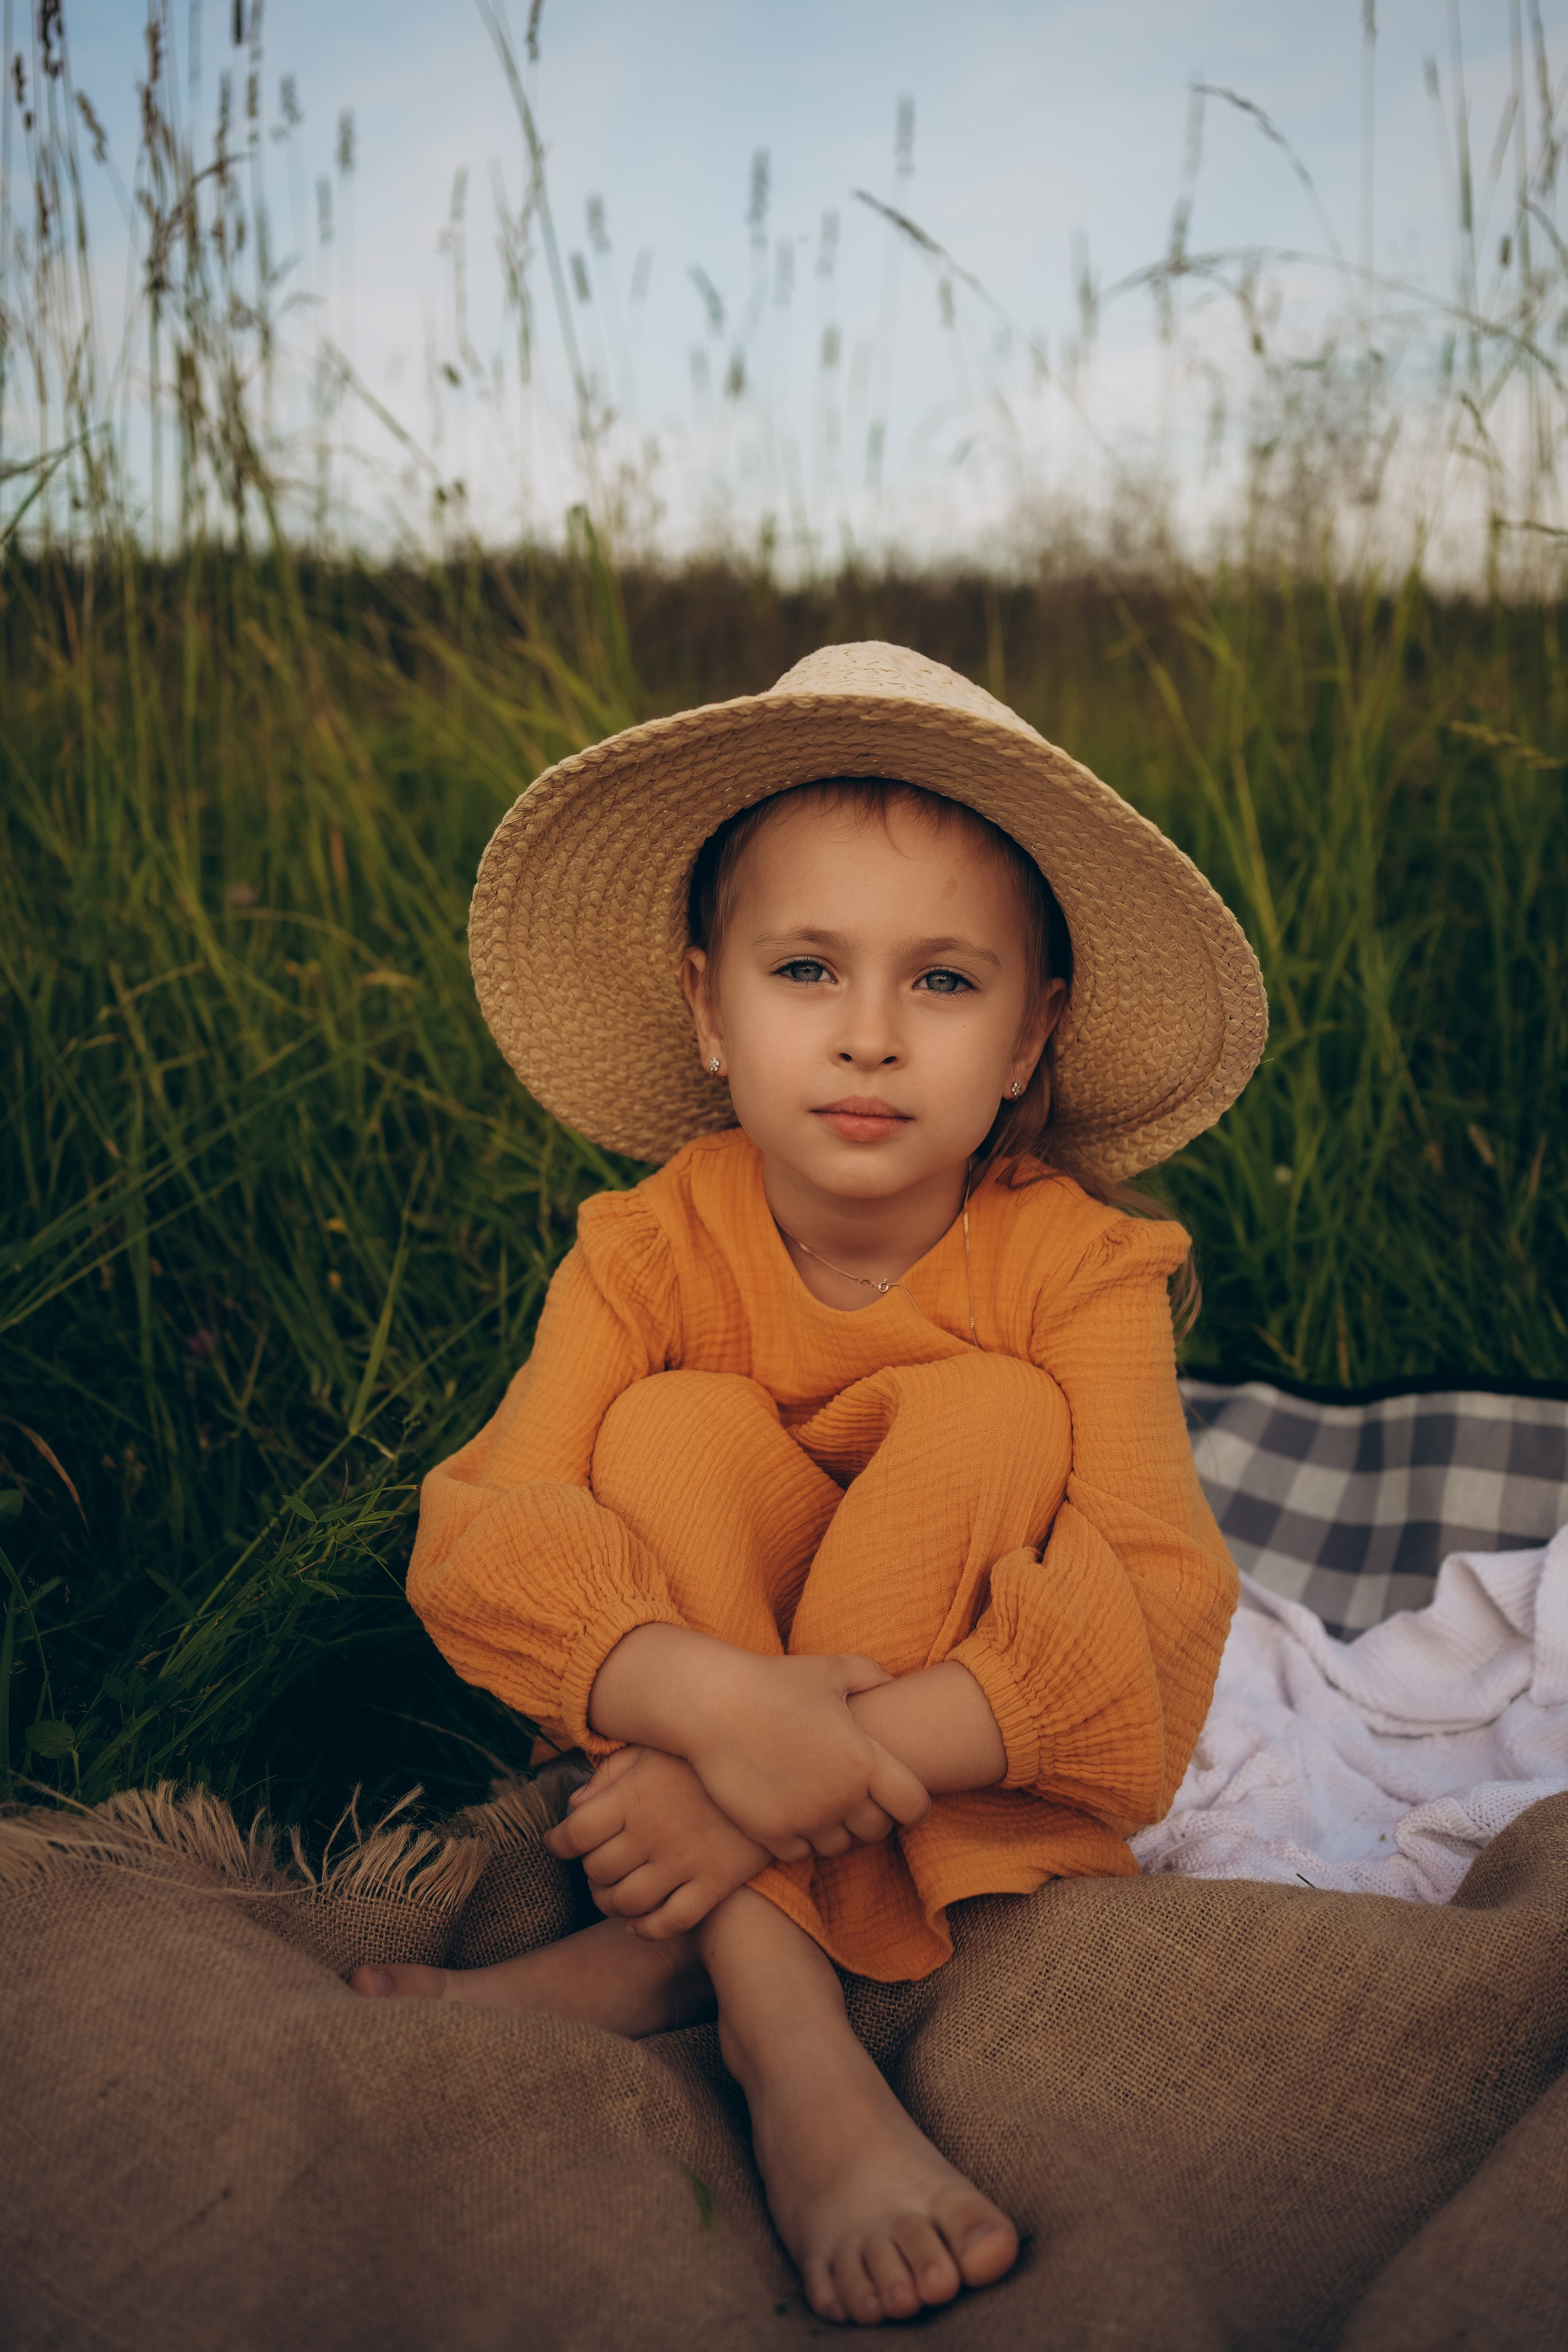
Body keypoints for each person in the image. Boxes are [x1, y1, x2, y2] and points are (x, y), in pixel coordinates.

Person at [350, 641, 1267, 2327]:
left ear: (1028, 1034)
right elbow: (483, 1528)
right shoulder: (645, 1250)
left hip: (951, 1745)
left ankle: (680, 1935)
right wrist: (713, 1699)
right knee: (664, 1435)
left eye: (941, 982)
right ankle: (797, 2053)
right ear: (708, 1006)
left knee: (992, 1416)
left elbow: (1161, 1599)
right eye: (803, 970)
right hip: (718, 1695)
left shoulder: (1073, 1267)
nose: (863, 1037)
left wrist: (760, 1781)